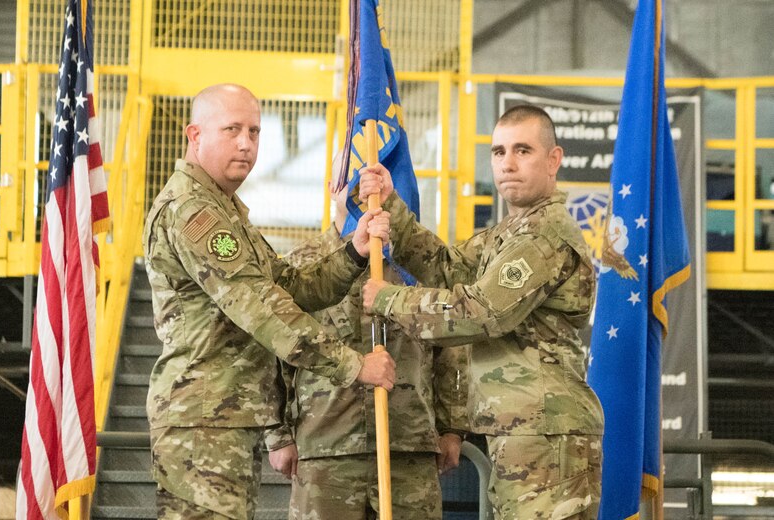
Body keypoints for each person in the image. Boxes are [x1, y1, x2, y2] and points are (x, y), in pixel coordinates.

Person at [142, 83, 396, 520]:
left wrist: (353, 251)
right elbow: (260, 307)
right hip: (202, 420)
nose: (246, 143)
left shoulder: (223, 207)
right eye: (232, 129)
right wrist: (353, 365)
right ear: (194, 135)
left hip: (224, 417)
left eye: (255, 132)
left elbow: (290, 287)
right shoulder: (192, 211)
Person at [360, 104, 604, 519]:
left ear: (553, 159)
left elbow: (481, 313)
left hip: (546, 432)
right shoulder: (510, 232)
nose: (507, 163)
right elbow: (447, 268)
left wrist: (388, 299)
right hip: (523, 429)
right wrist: (393, 208)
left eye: (522, 151)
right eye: (498, 152)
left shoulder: (544, 234)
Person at [264, 156, 471, 520]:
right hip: (326, 447)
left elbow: (450, 349)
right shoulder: (300, 268)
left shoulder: (417, 262)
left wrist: (452, 427)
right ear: (333, 187)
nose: (365, 190)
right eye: (354, 179)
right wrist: (277, 435)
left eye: (373, 179)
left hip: (407, 446)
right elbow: (274, 352)